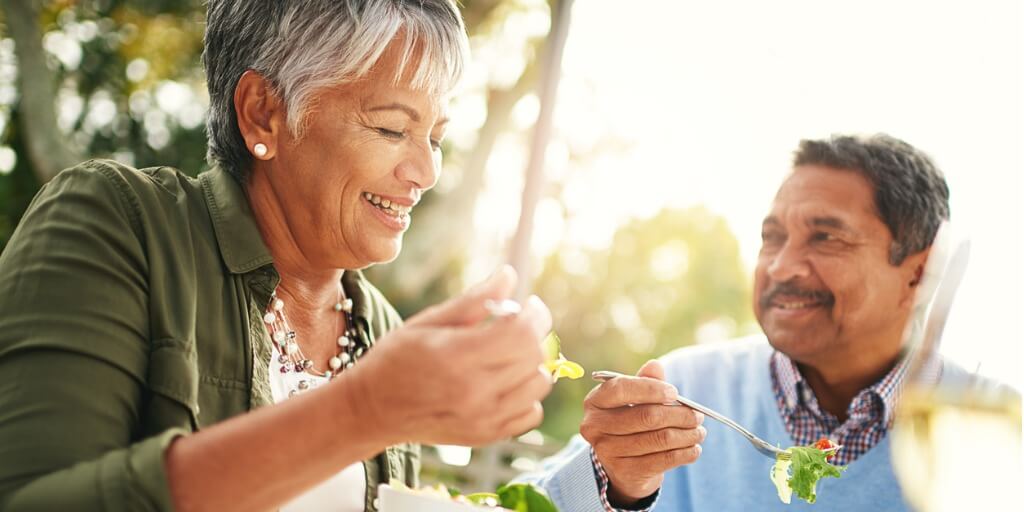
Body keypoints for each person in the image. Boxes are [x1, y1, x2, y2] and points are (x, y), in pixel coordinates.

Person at [0, 1, 554, 511]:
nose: (426, 173)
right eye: (391, 128)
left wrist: (614, 480)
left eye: (433, 137)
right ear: (263, 112)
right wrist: (362, 411)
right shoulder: (119, 223)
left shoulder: (383, 330)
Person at [518, 134, 996, 511]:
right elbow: (519, 505)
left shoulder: (992, 427)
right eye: (772, 237)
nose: (782, 266)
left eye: (825, 237)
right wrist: (617, 485)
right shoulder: (682, 389)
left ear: (919, 270)